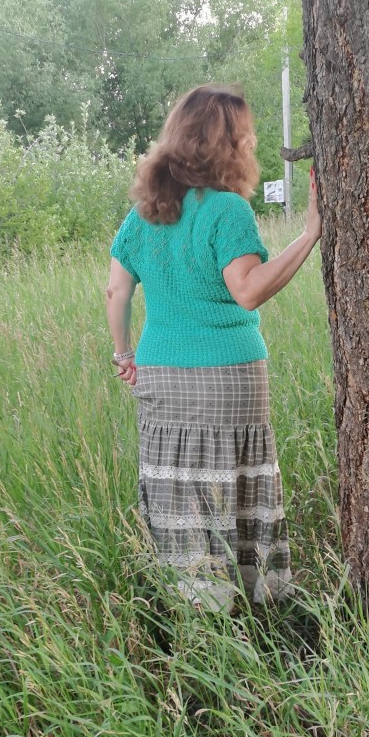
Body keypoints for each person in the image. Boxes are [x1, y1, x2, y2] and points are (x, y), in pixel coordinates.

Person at [106, 84, 322, 614]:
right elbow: (247, 290)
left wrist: (123, 354)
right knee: (238, 486)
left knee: (181, 494)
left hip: (161, 374)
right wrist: (310, 233)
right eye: (246, 135)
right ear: (227, 143)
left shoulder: (144, 214)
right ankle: (259, 604)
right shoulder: (228, 210)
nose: (252, 142)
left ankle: (200, 608)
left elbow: (116, 292)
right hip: (229, 374)